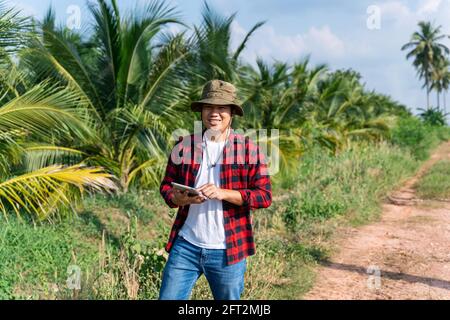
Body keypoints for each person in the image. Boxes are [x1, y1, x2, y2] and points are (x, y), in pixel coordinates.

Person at [158, 79, 272, 300]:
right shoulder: (184, 145)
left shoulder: (249, 150)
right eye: (209, 107)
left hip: (228, 250)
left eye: (222, 108)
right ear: (201, 111)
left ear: (232, 113)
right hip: (186, 245)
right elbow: (166, 187)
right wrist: (179, 198)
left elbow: (264, 196)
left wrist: (224, 193)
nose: (215, 113)